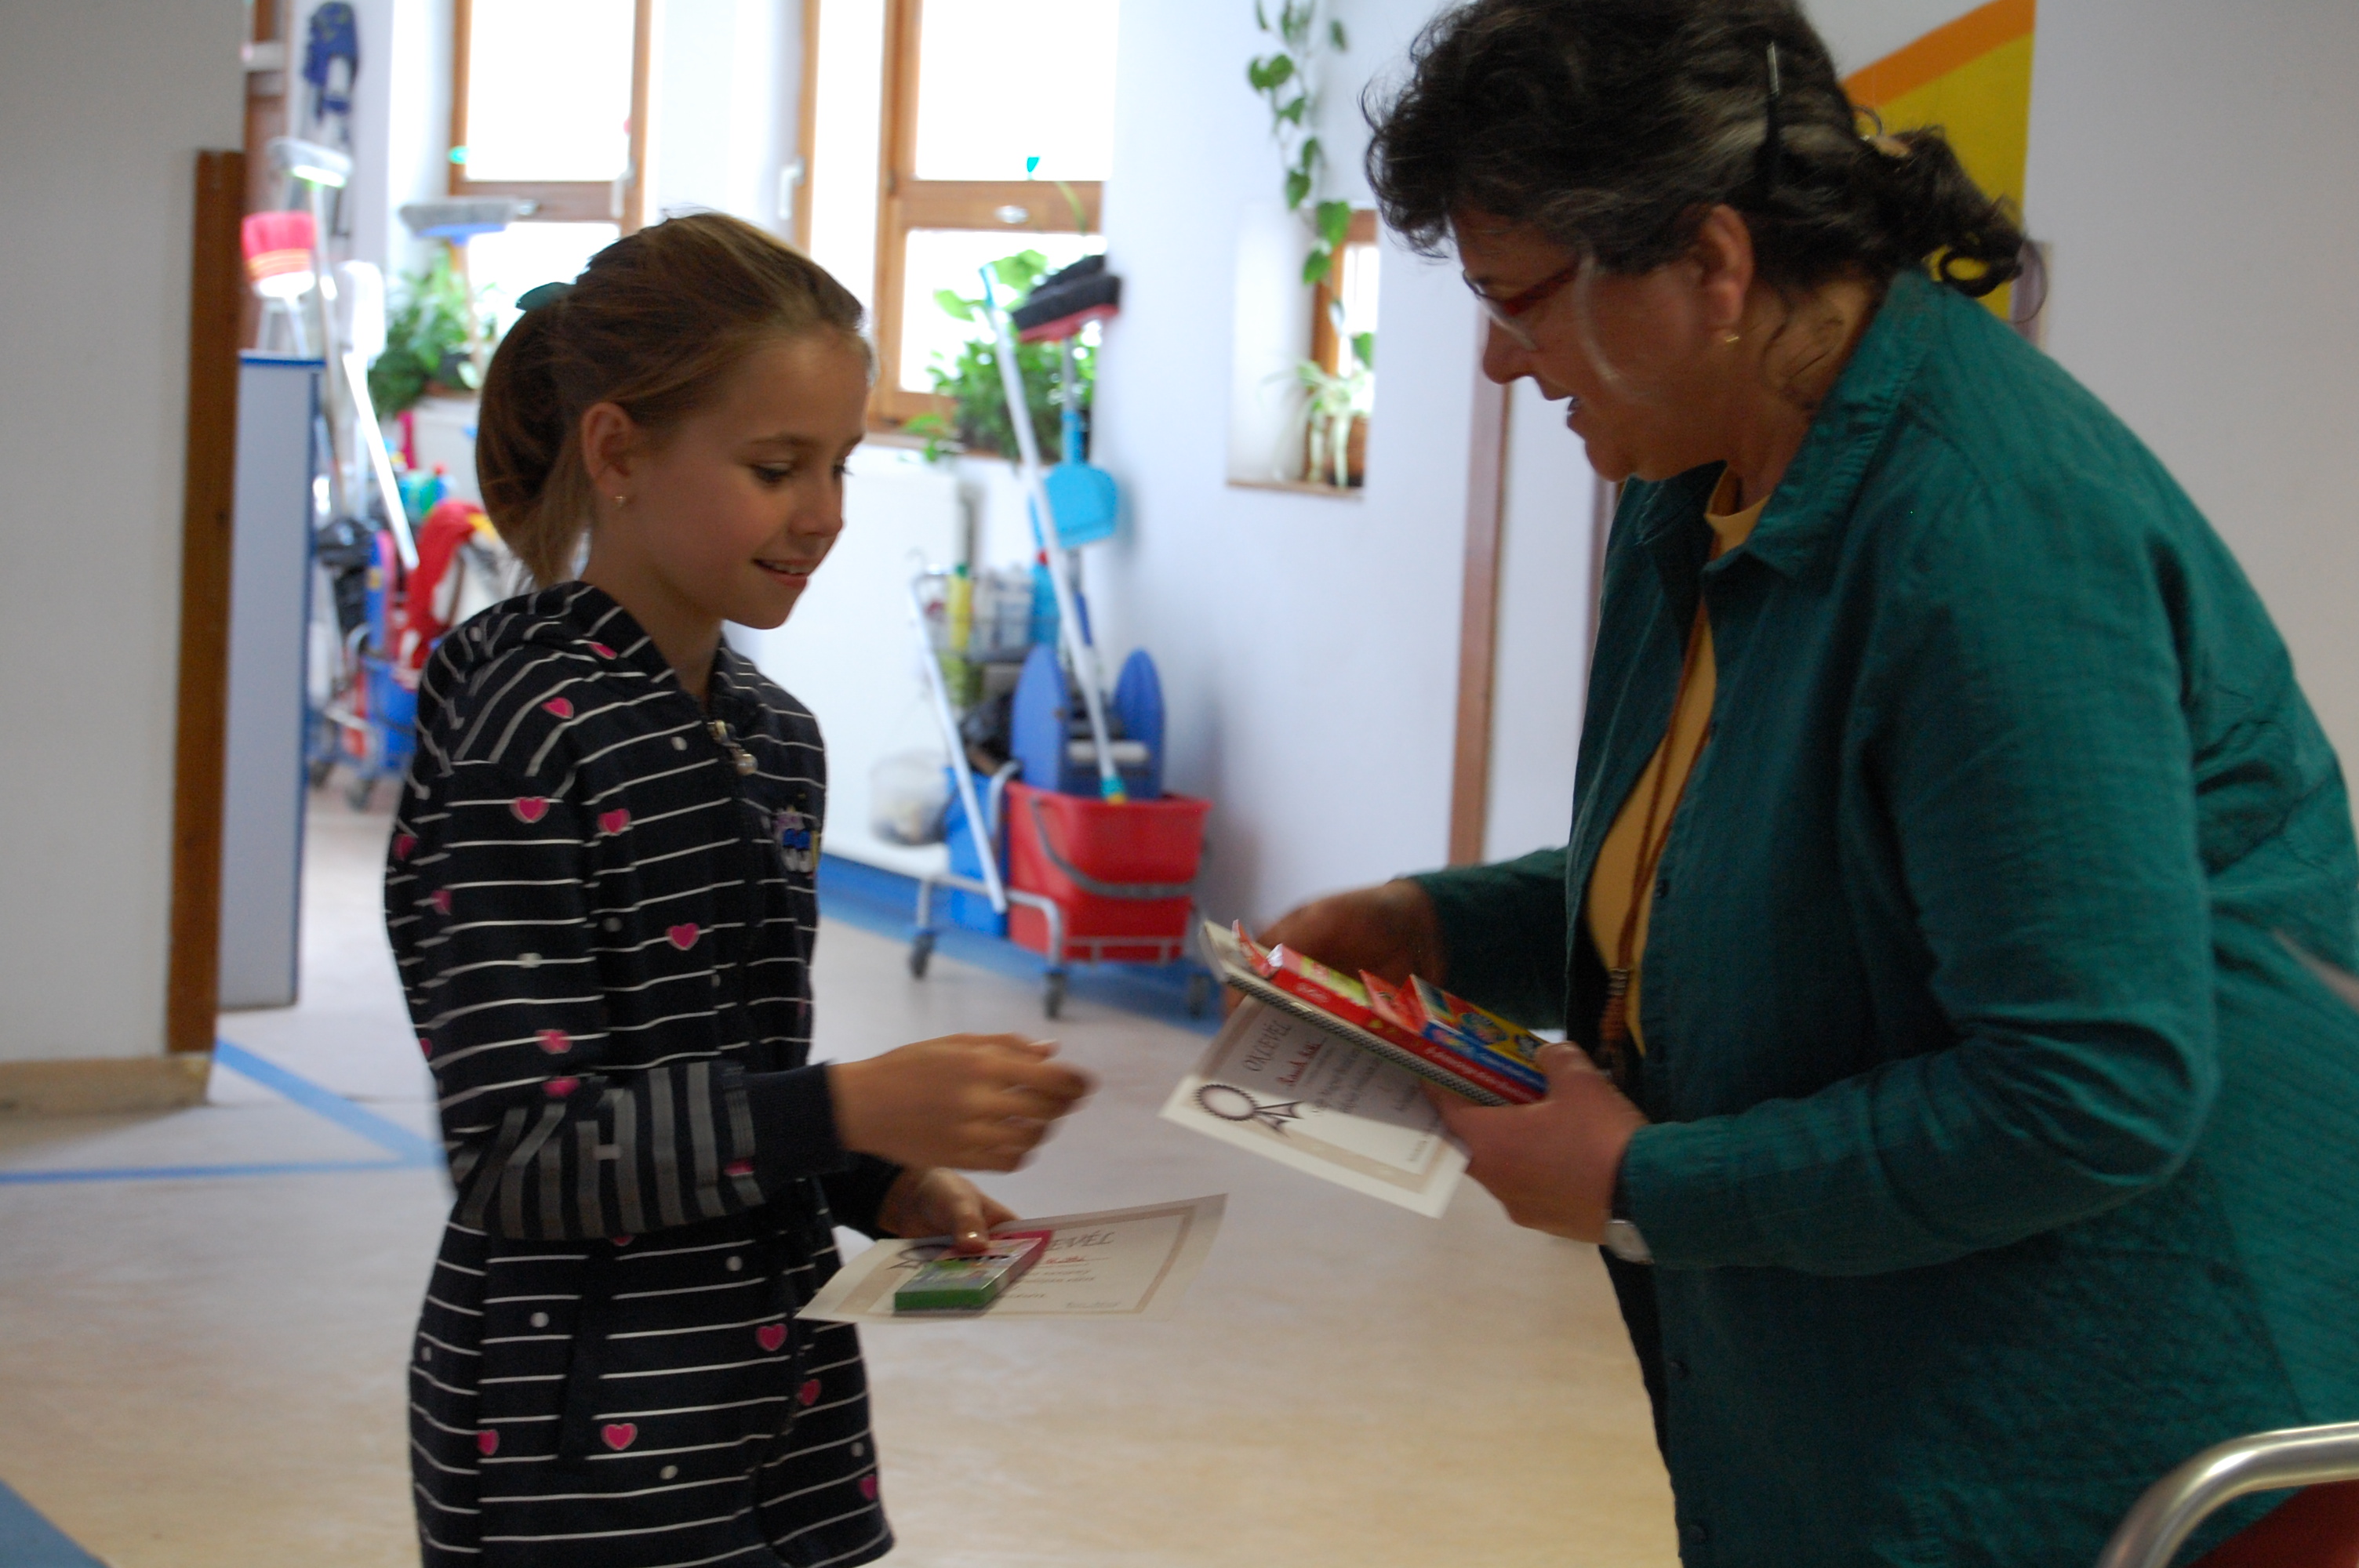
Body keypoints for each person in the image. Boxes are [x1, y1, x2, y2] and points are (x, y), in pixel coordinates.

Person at [1259, 2, 2359, 1563]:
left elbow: (2091, 1090)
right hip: (1872, 1379)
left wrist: (1642, 1176)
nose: (1497, 362)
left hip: (2117, 1418)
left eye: (1515, 300)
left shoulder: (1985, 537)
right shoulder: (1700, 474)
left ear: (1710, 266)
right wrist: (1442, 928)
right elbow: (1779, 865)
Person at [385, 212, 1094, 1567]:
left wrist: (876, 1174)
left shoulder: (773, 736)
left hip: (772, 1401)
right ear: (617, 452)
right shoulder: (525, 731)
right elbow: (518, 1153)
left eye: (839, 465)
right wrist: (844, 1107)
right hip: (576, 1441)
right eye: (776, 468)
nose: (823, 513)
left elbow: (715, 1074)